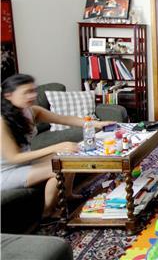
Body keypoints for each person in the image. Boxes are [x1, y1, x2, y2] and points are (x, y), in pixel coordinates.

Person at [0, 74, 113, 218]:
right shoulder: (2, 122)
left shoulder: (31, 111)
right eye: (26, 92)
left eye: (33, 90)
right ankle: (47, 213)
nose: (32, 95)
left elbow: (64, 119)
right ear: (9, 95)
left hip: (24, 163)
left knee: (69, 157)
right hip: (7, 172)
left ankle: (68, 195)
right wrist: (55, 147)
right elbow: (14, 157)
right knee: (58, 168)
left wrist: (97, 124)